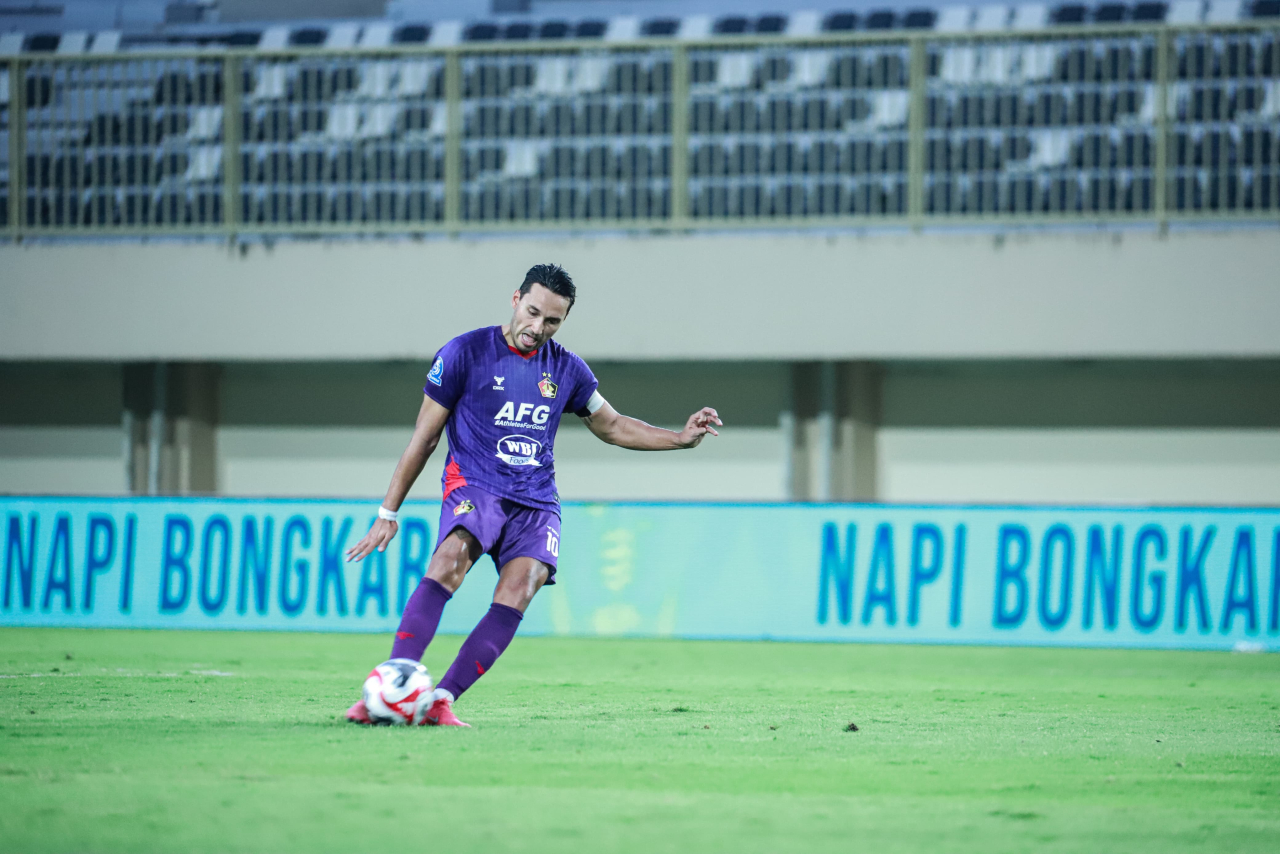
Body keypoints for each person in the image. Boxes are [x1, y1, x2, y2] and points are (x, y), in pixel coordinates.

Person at [343, 263, 721, 727]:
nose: (537, 328)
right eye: (533, 312)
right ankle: (388, 685)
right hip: (476, 483)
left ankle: (440, 700)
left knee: (522, 587)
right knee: (449, 561)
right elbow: (423, 438)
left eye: (552, 321)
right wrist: (388, 510)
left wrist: (679, 438)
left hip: (535, 498)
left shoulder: (567, 369)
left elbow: (614, 425)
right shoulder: (464, 353)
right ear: (515, 299)